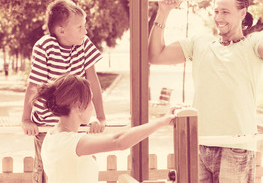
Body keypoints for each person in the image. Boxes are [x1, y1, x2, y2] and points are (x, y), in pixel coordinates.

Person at [148, 0, 263, 183]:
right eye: (216, 11)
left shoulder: (253, 44)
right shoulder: (200, 42)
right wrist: (163, 11)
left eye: (226, 12)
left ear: (242, 13)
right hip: (199, 144)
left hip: (236, 145)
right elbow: (155, 55)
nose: (219, 17)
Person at [21, 0, 106, 183]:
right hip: (47, 125)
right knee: (47, 170)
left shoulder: (84, 44)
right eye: (80, 27)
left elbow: (93, 81)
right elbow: (34, 85)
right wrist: (26, 119)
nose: (85, 31)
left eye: (85, 26)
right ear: (61, 30)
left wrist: (99, 117)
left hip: (75, 123)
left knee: (82, 165)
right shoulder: (45, 47)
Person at [35, 74, 178, 183]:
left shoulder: (51, 136)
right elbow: (119, 141)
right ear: (78, 106)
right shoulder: (73, 143)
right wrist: (162, 121)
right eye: (90, 100)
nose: (92, 107)